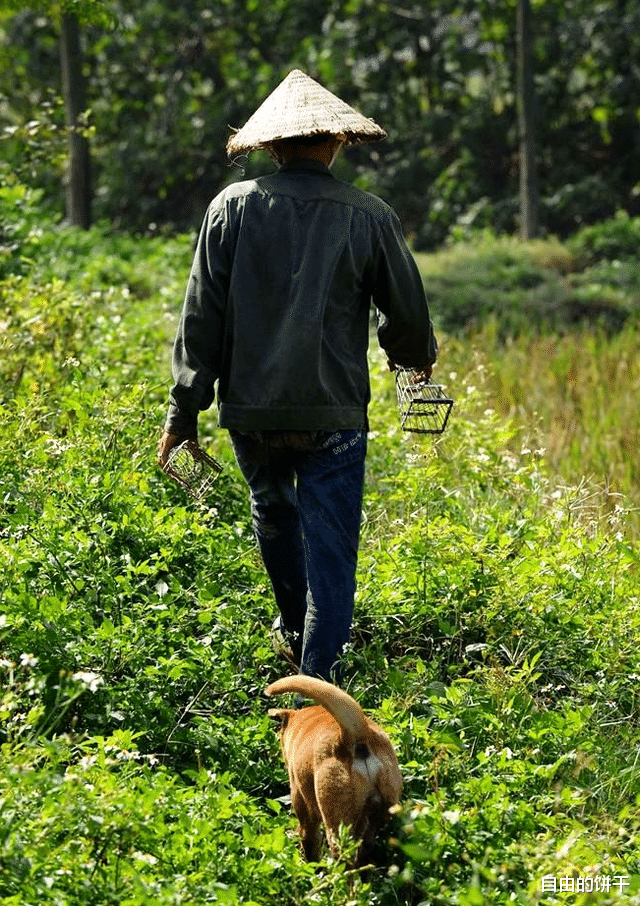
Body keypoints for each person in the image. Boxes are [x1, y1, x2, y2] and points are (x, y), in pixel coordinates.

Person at [158, 69, 437, 685]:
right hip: (332, 413)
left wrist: (184, 412)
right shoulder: (369, 214)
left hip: (252, 413)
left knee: (273, 511)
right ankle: (321, 682)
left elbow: (199, 317)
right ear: (337, 142)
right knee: (332, 549)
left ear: (272, 147)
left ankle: (292, 633)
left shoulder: (230, 207)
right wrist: (411, 358)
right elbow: (408, 316)